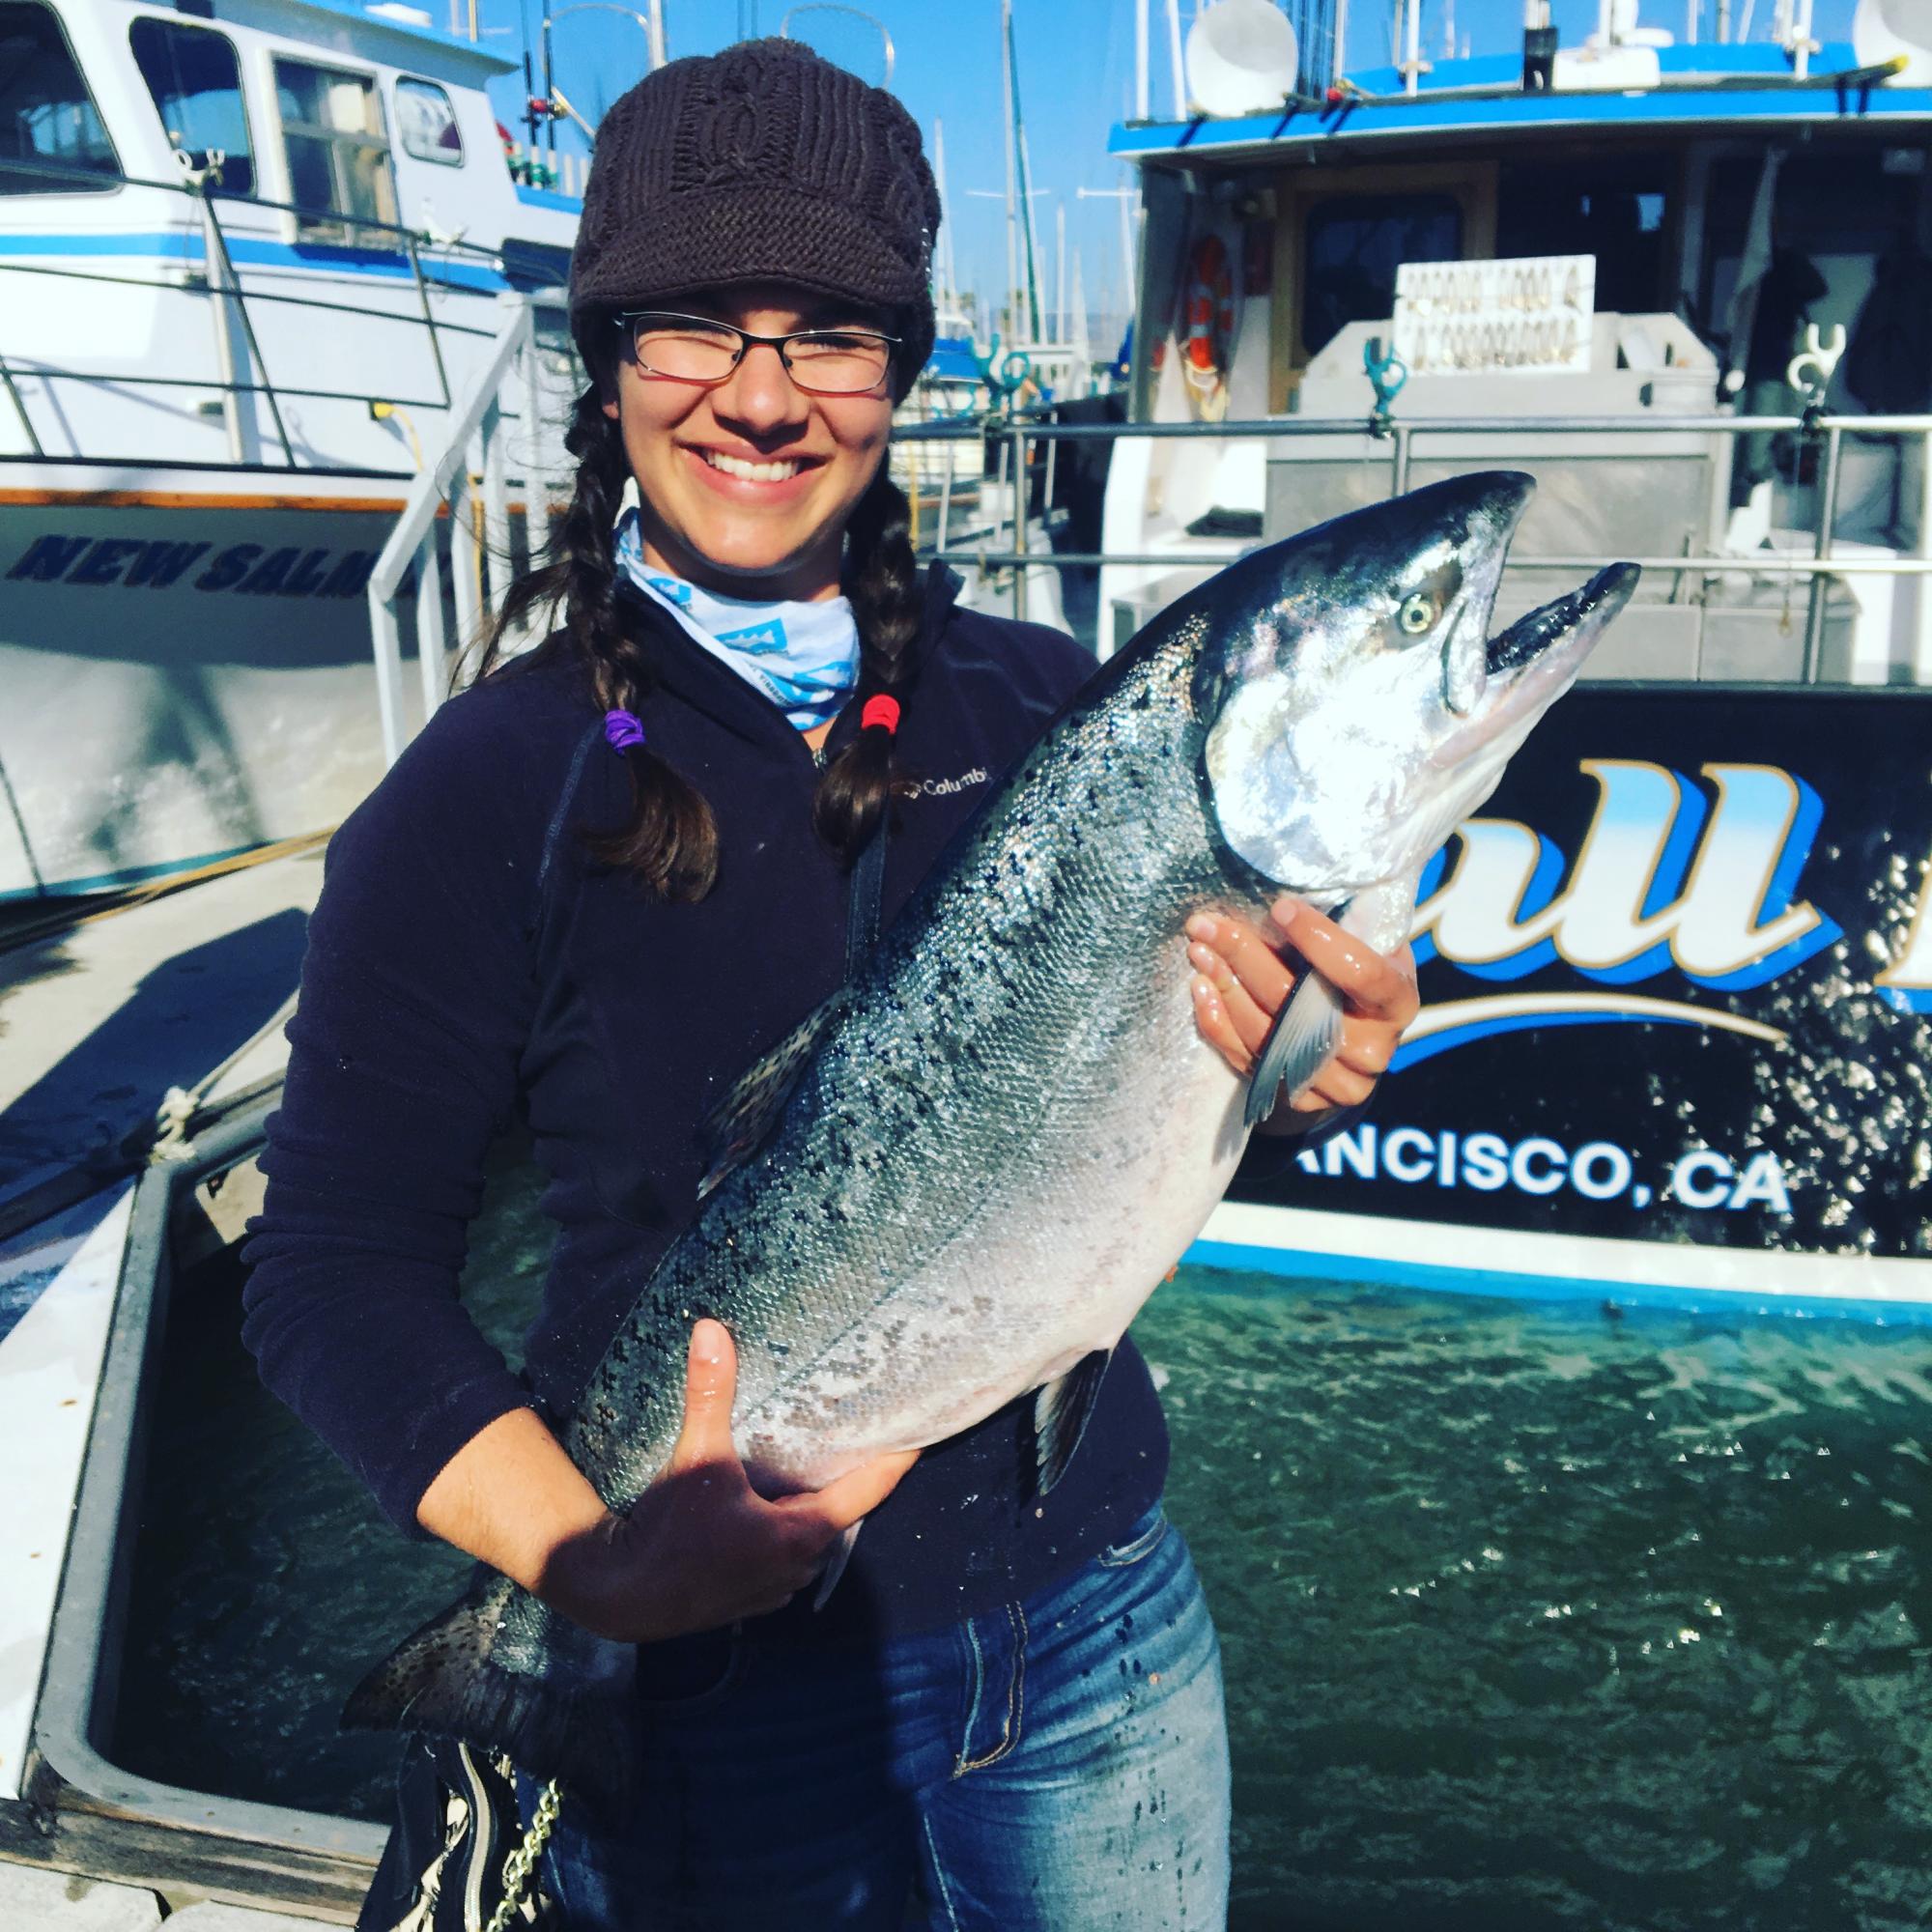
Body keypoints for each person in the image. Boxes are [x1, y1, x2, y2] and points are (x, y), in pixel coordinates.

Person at [242, 39, 1418, 1932]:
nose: (765, 397)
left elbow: (1107, 1143)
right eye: (697, 325)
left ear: (906, 368)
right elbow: (325, 1275)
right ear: (607, 361)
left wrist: (1301, 1061)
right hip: (719, 1699)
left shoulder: (1052, 706)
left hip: (1102, 1625)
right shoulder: (479, 791)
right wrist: (582, 1568)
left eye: (834, 333)